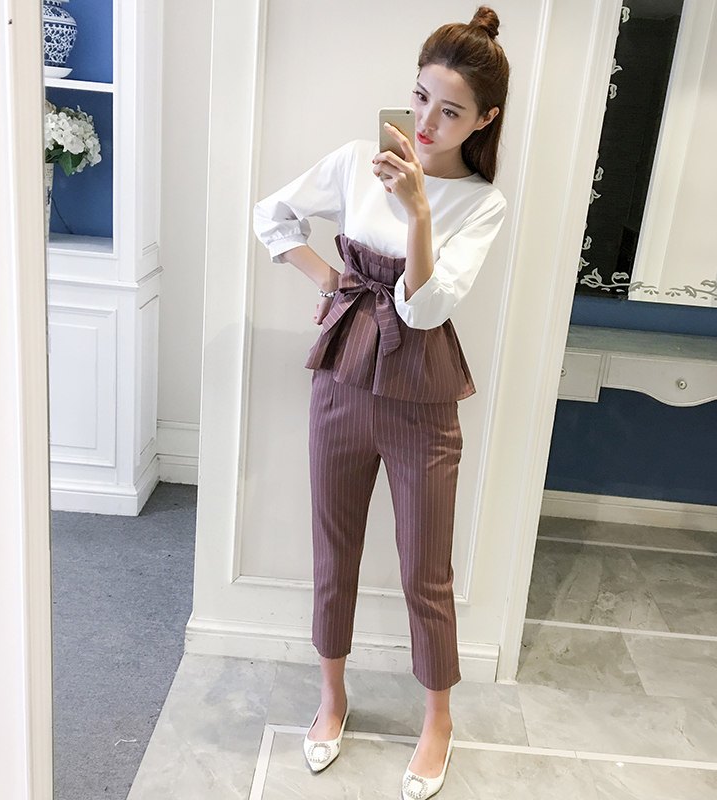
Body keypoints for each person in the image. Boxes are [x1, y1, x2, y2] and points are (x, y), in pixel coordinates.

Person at [252, 7, 510, 798]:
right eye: (421, 97)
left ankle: (438, 720)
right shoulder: (356, 161)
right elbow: (271, 215)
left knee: (425, 569)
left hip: (421, 398)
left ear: (485, 120)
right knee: (333, 552)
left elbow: (425, 311)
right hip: (340, 379)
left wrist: (421, 211)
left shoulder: (481, 203)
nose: (426, 123)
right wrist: (327, 277)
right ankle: (331, 698)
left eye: (451, 111)